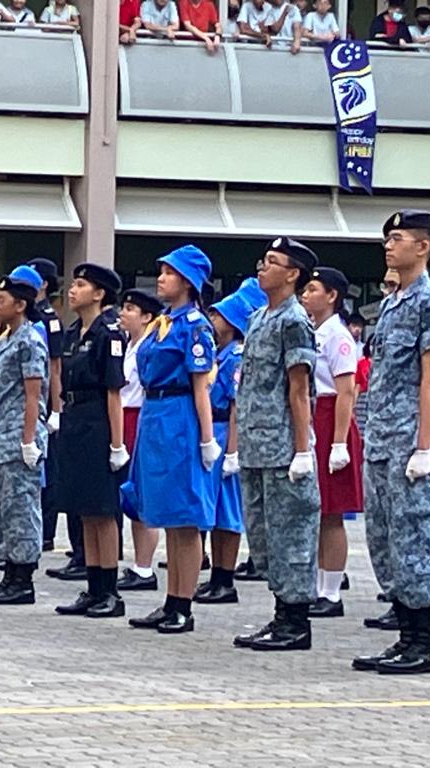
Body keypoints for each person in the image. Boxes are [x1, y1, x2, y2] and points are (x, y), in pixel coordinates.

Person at [353, 210, 430, 675]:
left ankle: (426, 643)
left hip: (412, 442)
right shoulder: (394, 302)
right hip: (383, 439)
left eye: (398, 238)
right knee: (386, 541)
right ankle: (406, 636)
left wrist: (425, 447)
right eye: (387, 238)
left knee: (415, 543)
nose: (389, 246)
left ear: (424, 246)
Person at [233, 237, 321, 652]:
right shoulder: (257, 318)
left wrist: (303, 450)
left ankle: (296, 621)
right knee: (265, 537)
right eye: (262, 260)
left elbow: (298, 389)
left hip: (284, 447)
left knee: (292, 536)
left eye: (273, 262)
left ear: (292, 274)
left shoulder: (294, 320)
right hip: (256, 445)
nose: (262, 268)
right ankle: (280, 613)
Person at [126, 245, 218, 634]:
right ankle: (170, 600)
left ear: (187, 281)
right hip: (155, 415)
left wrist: (207, 438)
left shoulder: (194, 325)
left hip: (180, 415)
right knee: (164, 511)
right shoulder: (162, 322)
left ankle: (184, 602)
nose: (160, 278)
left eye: (168, 273)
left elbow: (201, 385)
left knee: (185, 517)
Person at [52, 264, 129, 619]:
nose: (73, 290)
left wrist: (117, 444)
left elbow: (113, 391)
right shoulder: (73, 333)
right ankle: (93, 584)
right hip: (75, 420)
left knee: (102, 509)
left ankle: (110, 590)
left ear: (99, 294)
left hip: (98, 420)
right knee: (84, 507)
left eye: (81, 285)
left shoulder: (108, 333)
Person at [0, 267, 49, 605]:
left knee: (21, 508)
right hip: (0, 438)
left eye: (1, 300)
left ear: (20, 305)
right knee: (0, 508)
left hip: (19, 438)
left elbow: (34, 394)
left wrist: (29, 440)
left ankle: (23, 578)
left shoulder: (30, 341)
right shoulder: (6, 339)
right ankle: (8, 572)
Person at [196, 279, 267, 605]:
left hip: (228, 433)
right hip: (215, 431)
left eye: (221, 315)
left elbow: (237, 406)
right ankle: (216, 577)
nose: (214, 319)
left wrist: (234, 451)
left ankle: (225, 578)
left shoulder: (236, 356)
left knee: (228, 513)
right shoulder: (219, 354)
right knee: (214, 511)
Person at [301, 267, 363, 619]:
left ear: (332, 296)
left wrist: (338, 443)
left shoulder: (338, 336)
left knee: (333, 513)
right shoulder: (313, 332)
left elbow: (346, 392)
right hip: (315, 417)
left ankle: (331, 591)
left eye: (313, 289)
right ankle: (319, 585)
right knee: (318, 510)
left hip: (332, 420)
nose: (306, 295)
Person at [26, 258, 71, 570]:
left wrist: (56, 408)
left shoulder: (49, 319)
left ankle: (47, 532)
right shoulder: (25, 317)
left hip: (43, 403)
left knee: (48, 473)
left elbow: (55, 367)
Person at [117, 288, 163, 592]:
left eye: (131, 309)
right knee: (129, 495)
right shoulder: (127, 345)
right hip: (122, 416)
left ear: (147, 317)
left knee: (142, 494)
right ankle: (138, 564)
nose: (123, 313)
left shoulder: (149, 346)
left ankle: (145, 567)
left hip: (138, 417)